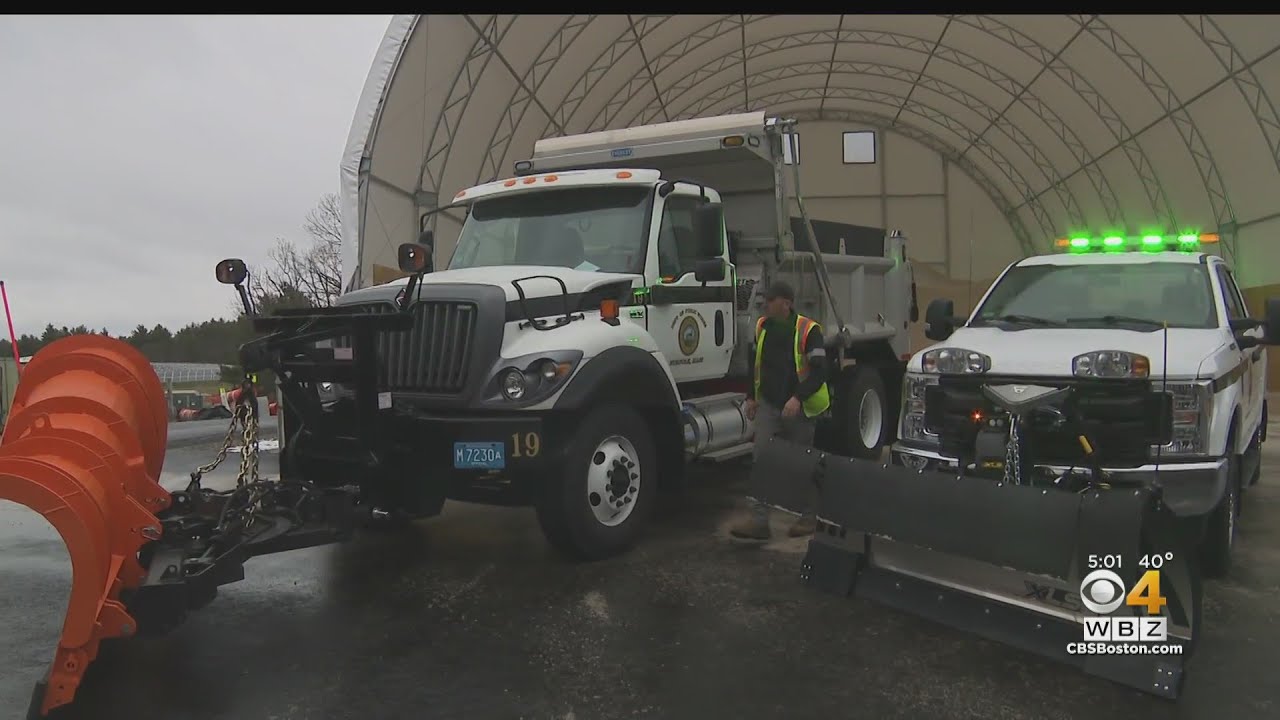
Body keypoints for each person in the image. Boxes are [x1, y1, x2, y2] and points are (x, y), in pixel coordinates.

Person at [729, 279, 830, 541]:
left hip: (800, 409)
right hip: (769, 405)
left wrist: (797, 398)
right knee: (761, 459)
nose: (765, 304)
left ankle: (809, 517)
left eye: (770, 300)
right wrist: (751, 396)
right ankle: (759, 522)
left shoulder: (809, 330)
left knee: (801, 464)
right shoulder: (763, 326)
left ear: (786, 303)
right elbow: (756, 363)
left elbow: (820, 372)